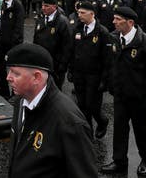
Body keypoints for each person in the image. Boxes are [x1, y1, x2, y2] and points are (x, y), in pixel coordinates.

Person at [6, 43, 98, 178]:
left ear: (36, 77)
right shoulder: (21, 100)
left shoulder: (68, 121)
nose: (8, 77)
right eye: (9, 71)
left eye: (16, 73)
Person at [100, 7, 146, 176]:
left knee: (141, 131)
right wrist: (108, 84)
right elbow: (109, 64)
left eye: (117, 19)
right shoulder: (113, 38)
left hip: (139, 97)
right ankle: (119, 161)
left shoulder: (145, 42)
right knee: (119, 130)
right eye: (113, 18)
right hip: (120, 95)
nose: (113, 22)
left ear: (130, 22)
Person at [68, 1, 112, 139]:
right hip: (79, 74)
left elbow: (107, 58)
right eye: (78, 13)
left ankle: (102, 121)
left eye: (82, 13)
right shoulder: (77, 29)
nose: (79, 15)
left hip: (95, 76)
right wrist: (71, 70)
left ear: (92, 14)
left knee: (92, 106)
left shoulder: (102, 32)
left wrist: (105, 80)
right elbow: (72, 51)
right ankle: (88, 135)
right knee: (82, 105)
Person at [33, 0, 71, 89]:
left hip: (56, 64)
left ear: (54, 7)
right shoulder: (41, 19)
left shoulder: (63, 22)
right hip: (41, 62)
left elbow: (67, 45)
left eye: (46, 6)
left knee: (54, 90)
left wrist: (63, 64)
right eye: (42, 5)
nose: (43, 8)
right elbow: (36, 38)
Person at [0, 0, 25, 98]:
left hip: (13, 43)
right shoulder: (3, 3)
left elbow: (18, 27)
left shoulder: (18, 6)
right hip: (3, 41)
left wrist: (14, 43)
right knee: (0, 66)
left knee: (14, 68)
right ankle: (4, 90)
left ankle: (15, 92)